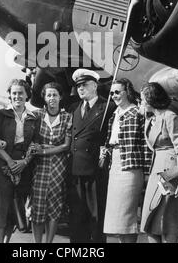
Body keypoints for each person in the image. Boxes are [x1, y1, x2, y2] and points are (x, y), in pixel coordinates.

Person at [139, 82, 178, 243]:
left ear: (150, 99)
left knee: (166, 221)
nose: (141, 103)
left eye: (142, 100)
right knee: (150, 221)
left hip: (171, 173)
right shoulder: (152, 119)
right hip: (156, 171)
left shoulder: (170, 117)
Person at [102, 78, 152, 243]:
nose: (114, 95)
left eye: (117, 92)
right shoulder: (114, 115)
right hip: (115, 165)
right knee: (117, 217)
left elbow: (145, 144)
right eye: (112, 93)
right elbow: (113, 140)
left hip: (131, 166)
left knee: (127, 214)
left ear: (127, 92)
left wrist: (146, 172)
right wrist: (105, 150)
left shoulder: (137, 112)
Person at [0, 79, 39, 243]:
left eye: (21, 93)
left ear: (27, 95)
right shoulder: (1, 115)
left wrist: (25, 162)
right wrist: (10, 161)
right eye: (14, 93)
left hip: (24, 167)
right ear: (10, 95)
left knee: (16, 206)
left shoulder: (33, 117)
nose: (17, 96)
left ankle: (7, 241)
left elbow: (34, 144)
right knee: (3, 206)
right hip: (4, 165)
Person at [68, 68, 115, 243]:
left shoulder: (108, 107)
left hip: (95, 170)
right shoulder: (74, 108)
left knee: (96, 215)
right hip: (75, 170)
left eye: (84, 85)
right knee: (77, 216)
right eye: (78, 85)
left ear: (94, 85)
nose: (80, 88)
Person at [30, 82, 72, 243]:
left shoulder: (67, 117)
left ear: (60, 97)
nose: (52, 98)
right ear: (44, 98)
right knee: (38, 206)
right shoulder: (37, 115)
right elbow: (34, 142)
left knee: (54, 207)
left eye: (55, 95)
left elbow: (66, 146)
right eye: (49, 95)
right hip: (39, 167)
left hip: (58, 167)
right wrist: (52, 147)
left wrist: (45, 150)